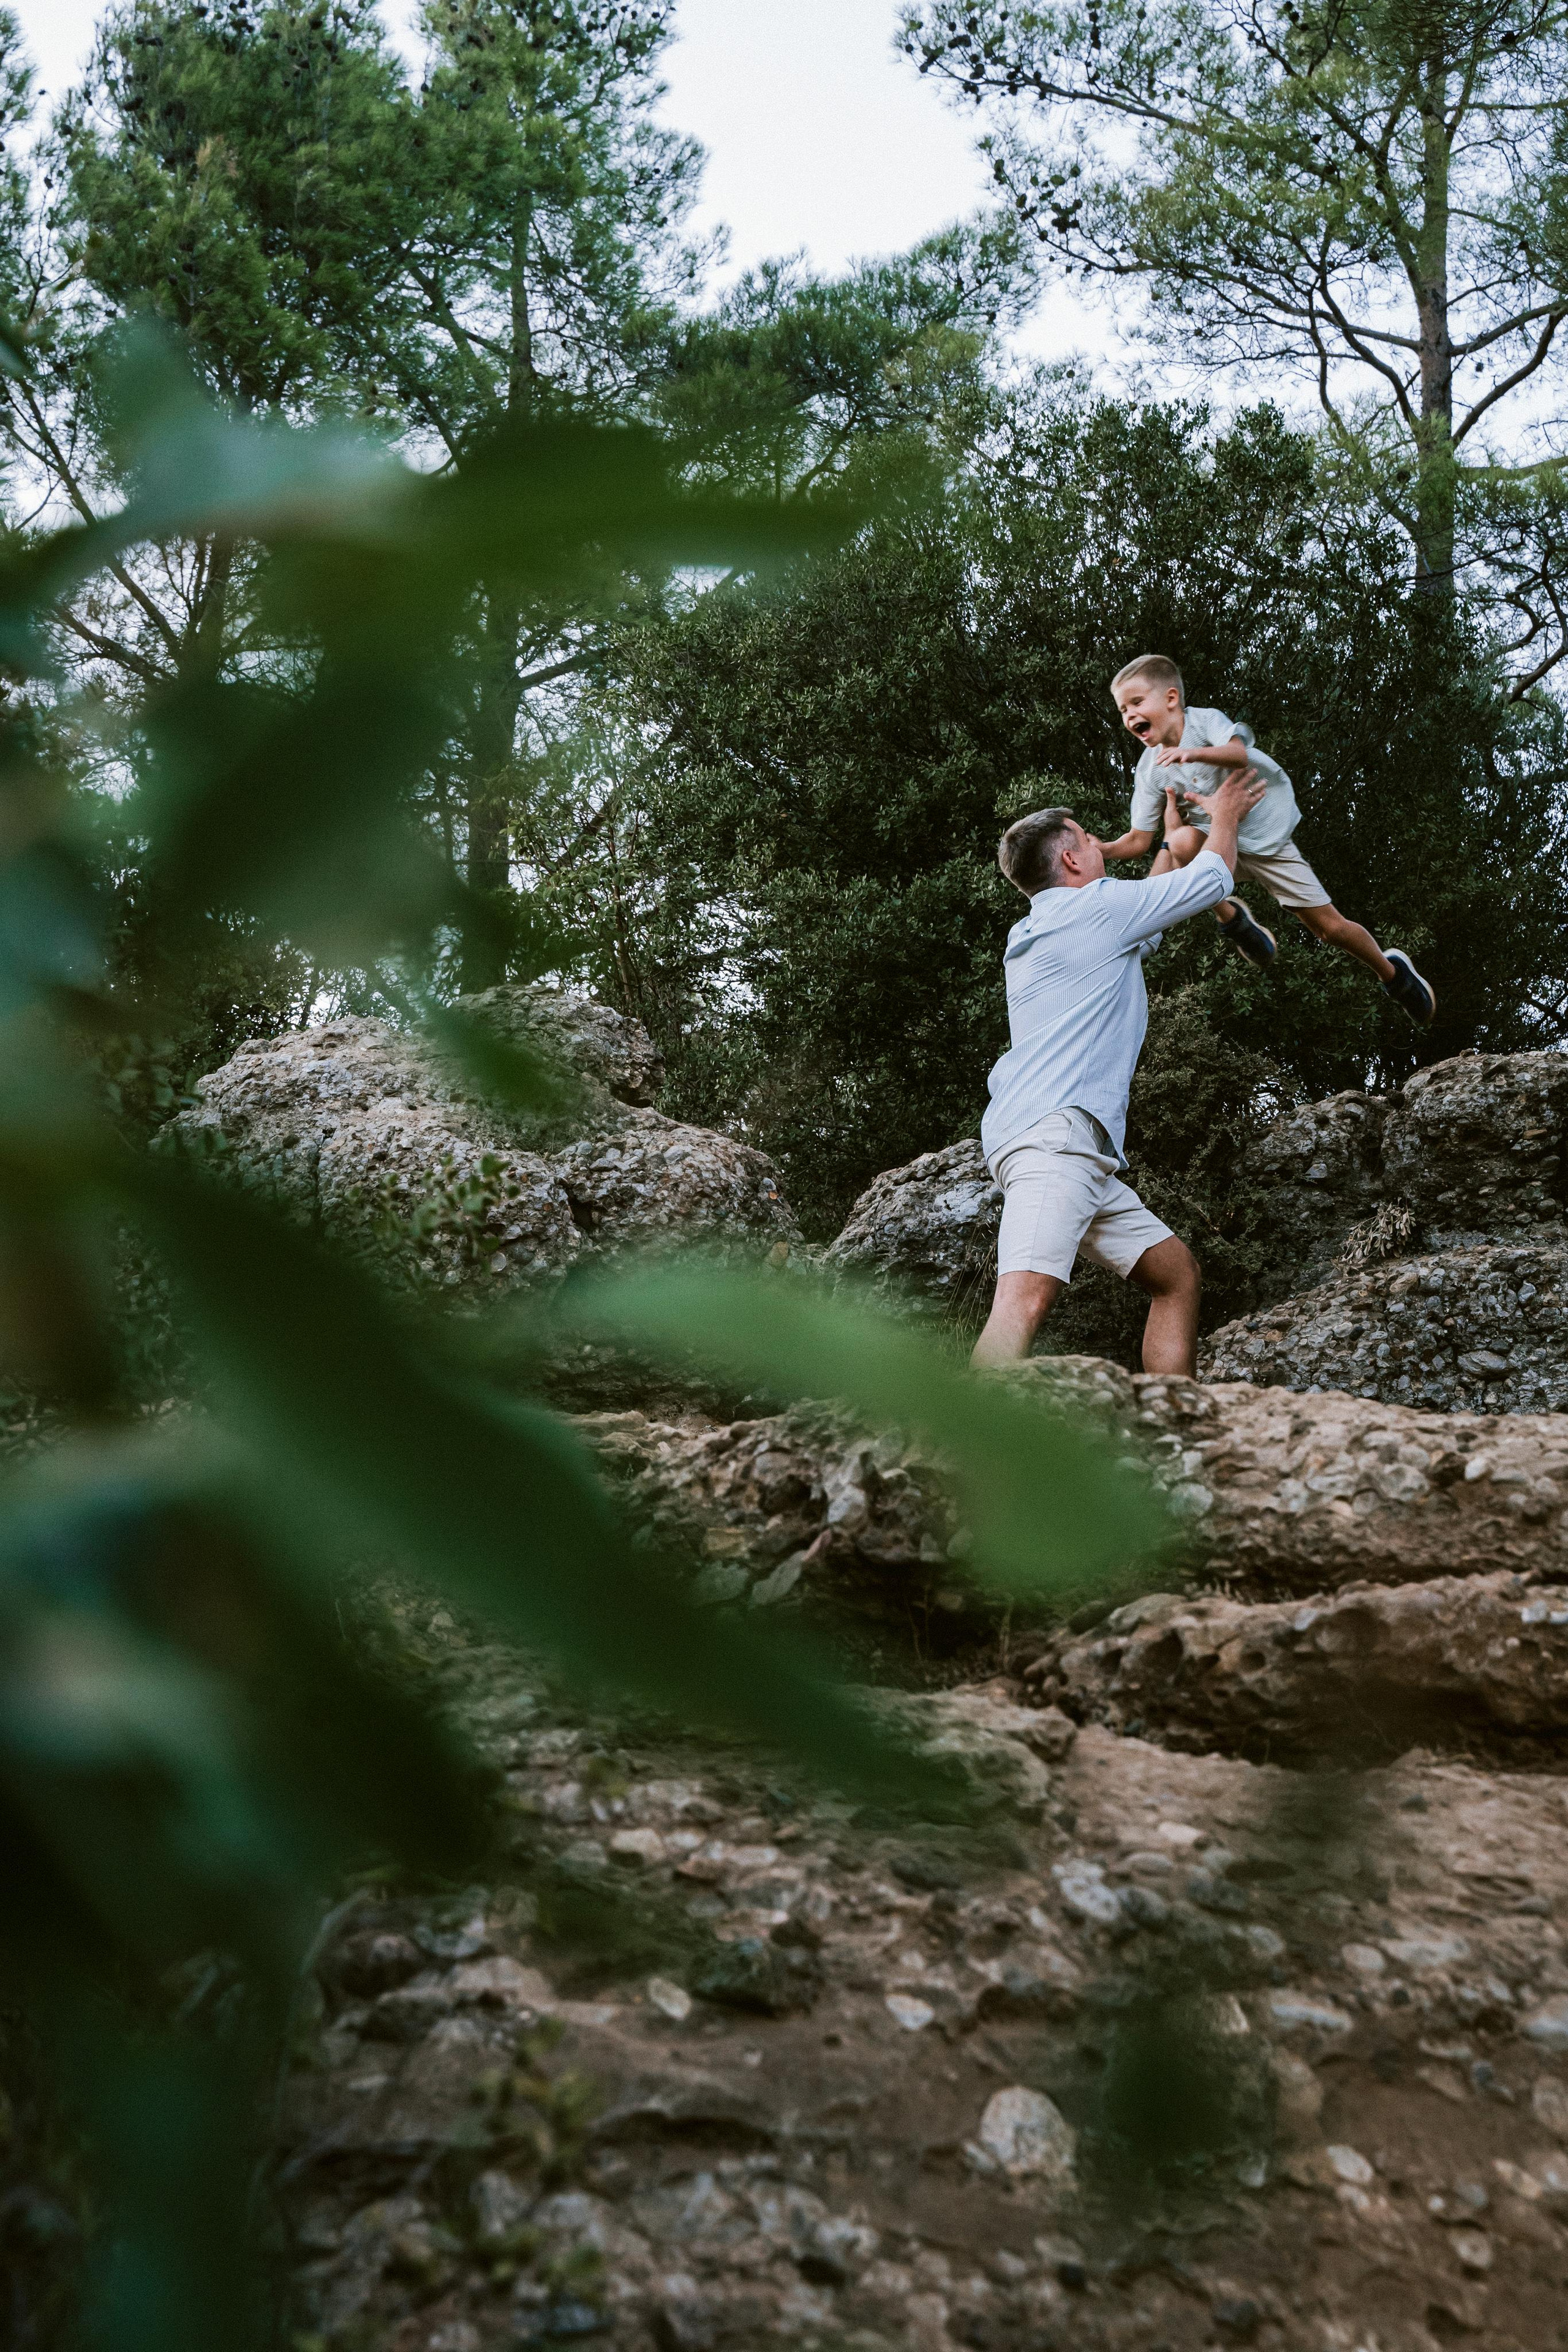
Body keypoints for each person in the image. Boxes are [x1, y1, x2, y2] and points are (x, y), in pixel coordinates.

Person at [971, 768, 1264, 1372]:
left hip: (1058, 1142)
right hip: (1056, 1143)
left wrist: (1167, 844)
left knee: (1175, 1275)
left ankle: (1171, 1415)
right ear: (1071, 858)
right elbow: (1212, 877)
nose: (1099, 843)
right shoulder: (1097, 911)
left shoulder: (1036, 929)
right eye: (1087, 837)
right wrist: (1226, 813)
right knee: (1022, 1303)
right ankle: (954, 1431)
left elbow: (1142, 921)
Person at [1097, 652, 1436, 1027]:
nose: (1129, 715)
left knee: (1329, 929)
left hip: (1266, 839)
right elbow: (1140, 839)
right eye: (1123, 710)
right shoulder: (1150, 771)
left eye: (1137, 703)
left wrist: (1191, 753)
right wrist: (1104, 849)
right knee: (1179, 843)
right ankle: (1235, 921)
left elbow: (1238, 754)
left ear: (1171, 699)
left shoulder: (1203, 722)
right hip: (1218, 843)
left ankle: (1393, 974)